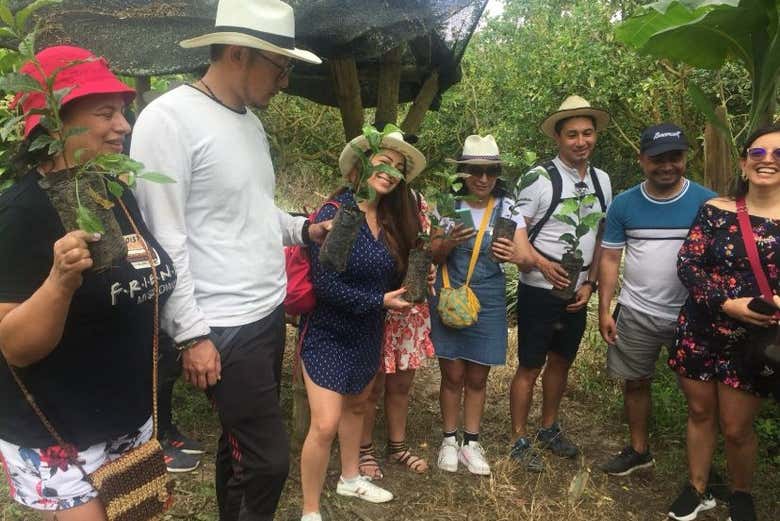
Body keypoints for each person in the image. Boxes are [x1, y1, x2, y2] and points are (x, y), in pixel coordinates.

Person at [129, 1, 328, 519]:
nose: (284, 81)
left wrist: (303, 229)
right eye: (280, 67)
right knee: (268, 461)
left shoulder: (249, 124)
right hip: (221, 323)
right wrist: (192, 334)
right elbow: (163, 234)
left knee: (238, 447)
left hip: (264, 312)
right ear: (238, 54)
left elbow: (254, 211)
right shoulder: (168, 119)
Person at [0, 45, 176, 520]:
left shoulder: (111, 193)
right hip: (60, 431)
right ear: (55, 125)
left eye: (123, 113)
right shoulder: (19, 215)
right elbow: (15, 347)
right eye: (106, 113)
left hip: (127, 419)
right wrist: (59, 282)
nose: (124, 126)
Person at [299, 127, 425, 521]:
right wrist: (379, 300)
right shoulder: (339, 214)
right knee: (325, 423)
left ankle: (350, 477)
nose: (391, 171)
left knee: (357, 406)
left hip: (368, 331)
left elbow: (388, 277)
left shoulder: (388, 221)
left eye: (399, 167)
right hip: (327, 332)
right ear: (361, 164)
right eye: (384, 161)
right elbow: (325, 285)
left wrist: (412, 285)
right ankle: (310, 511)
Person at [666, 124, 780, 521]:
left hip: (755, 339)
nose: (767, 161)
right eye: (759, 153)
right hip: (701, 329)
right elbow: (688, 262)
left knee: (736, 427)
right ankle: (697, 486)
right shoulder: (717, 208)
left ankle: (741, 492)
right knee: (699, 413)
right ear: (744, 160)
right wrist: (726, 303)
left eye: (778, 155)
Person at [597, 124, 715, 476]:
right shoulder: (624, 204)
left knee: (701, 397)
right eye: (657, 159)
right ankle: (638, 449)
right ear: (641, 160)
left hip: (694, 315)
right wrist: (605, 308)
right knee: (635, 382)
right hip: (637, 311)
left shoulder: (707, 202)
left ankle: (706, 464)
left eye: (675, 157)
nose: (667, 165)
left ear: (685, 157)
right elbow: (610, 258)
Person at [509, 95, 612, 472]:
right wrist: (540, 263)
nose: (581, 141)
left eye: (587, 133)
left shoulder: (602, 180)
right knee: (530, 365)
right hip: (539, 287)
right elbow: (515, 233)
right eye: (572, 134)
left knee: (562, 361)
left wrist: (592, 283)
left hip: (578, 289)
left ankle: (548, 427)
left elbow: (602, 236)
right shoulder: (537, 178)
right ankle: (519, 436)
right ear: (558, 137)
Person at [431, 135, 535, 476]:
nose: (483, 178)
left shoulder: (508, 208)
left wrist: (516, 255)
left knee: (477, 375)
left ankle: (471, 442)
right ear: (463, 172)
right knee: (453, 374)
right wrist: (445, 244)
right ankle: (449, 439)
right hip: (450, 295)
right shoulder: (448, 205)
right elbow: (430, 253)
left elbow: (525, 258)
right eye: (476, 170)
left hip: (488, 300)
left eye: (490, 171)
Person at [358, 183, 435, 480]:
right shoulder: (367, 200)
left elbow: (424, 248)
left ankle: (397, 446)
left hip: (409, 305)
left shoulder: (417, 201)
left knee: (401, 384)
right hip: (377, 304)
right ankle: (363, 449)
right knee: (372, 386)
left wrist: (428, 265)